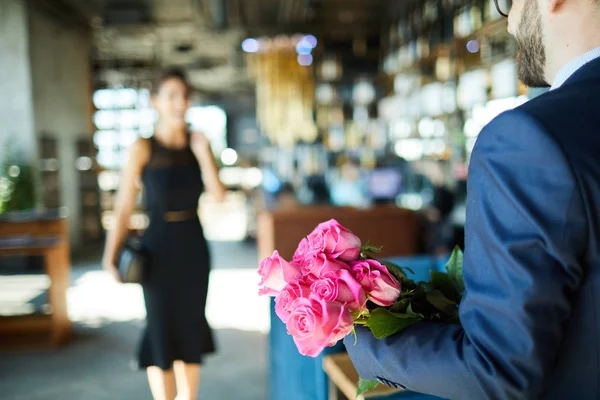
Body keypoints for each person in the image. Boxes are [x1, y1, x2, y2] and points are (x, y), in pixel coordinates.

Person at [345, 0, 600, 398]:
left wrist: (363, 342)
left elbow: (497, 371)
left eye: (510, 2)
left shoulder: (529, 137)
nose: (510, 21)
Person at [102, 68, 226, 400]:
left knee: (190, 326)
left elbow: (219, 195)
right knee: (159, 328)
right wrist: (109, 256)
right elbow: (124, 205)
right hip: (156, 247)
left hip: (193, 247)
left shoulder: (199, 143)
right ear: (155, 101)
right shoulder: (143, 147)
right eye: (171, 96)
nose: (179, 103)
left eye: (184, 96)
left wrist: (203, 155)